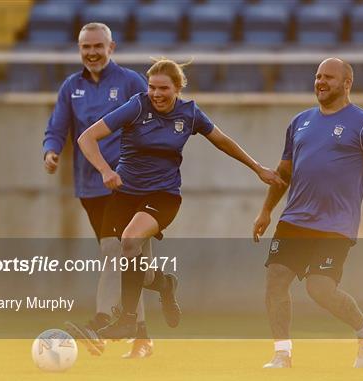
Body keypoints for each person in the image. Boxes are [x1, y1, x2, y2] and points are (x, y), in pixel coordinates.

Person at [76, 58, 286, 341]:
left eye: (163, 88)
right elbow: (87, 138)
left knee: (129, 241)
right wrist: (104, 170)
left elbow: (222, 141)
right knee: (126, 259)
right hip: (125, 194)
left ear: (178, 88)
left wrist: (258, 168)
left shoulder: (189, 113)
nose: (156, 94)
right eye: (152, 87)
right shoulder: (137, 106)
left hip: (163, 196)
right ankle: (163, 284)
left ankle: (127, 321)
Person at [253, 58, 363, 369]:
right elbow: (283, 172)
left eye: (329, 77)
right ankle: (282, 354)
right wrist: (266, 211)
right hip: (294, 219)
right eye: (318, 76)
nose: (320, 82)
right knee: (276, 281)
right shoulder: (299, 122)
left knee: (319, 288)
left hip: (336, 224)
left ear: (347, 83)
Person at [42, 22, 157, 358]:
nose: (92, 52)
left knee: (114, 251)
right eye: (85, 47)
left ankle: (101, 323)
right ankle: (144, 335)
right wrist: (51, 151)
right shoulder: (70, 87)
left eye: (98, 46)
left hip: (129, 185)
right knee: (134, 265)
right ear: (79, 50)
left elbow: (153, 126)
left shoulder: (131, 83)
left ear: (112, 48)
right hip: (90, 189)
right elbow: (58, 126)